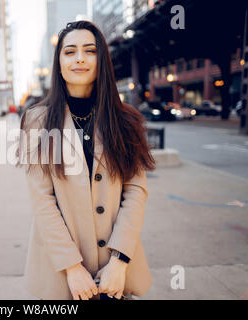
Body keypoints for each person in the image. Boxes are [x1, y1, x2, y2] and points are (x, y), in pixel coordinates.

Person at [15, 20, 156, 300]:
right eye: (69, 52)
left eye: (89, 50)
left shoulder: (126, 120)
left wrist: (120, 260)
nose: (79, 58)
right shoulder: (37, 121)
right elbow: (42, 200)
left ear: (101, 59)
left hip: (114, 273)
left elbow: (136, 191)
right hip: (62, 272)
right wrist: (72, 267)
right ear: (59, 63)